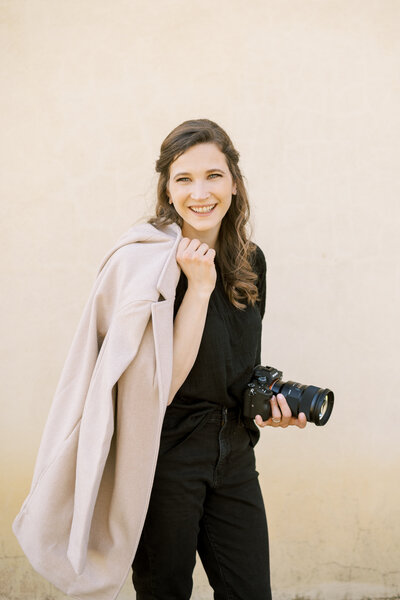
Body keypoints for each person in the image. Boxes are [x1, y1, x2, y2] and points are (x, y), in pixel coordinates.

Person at [131, 118, 307, 600]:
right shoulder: (150, 267)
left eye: (213, 175)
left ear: (234, 184)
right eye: (183, 178)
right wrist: (200, 287)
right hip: (167, 456)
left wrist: (268, 404)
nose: (200, 192)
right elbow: (159, 387)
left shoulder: (251, 261)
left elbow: (236, 363)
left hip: (234, 451)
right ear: (167, 191)